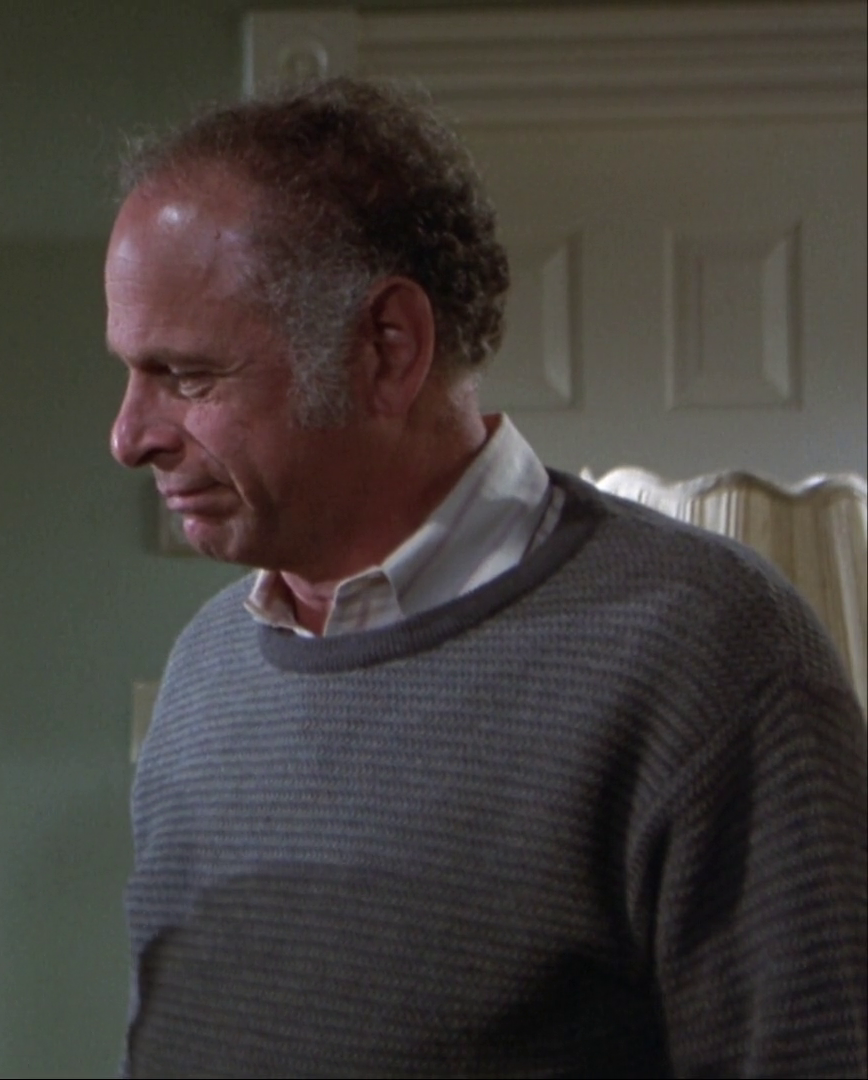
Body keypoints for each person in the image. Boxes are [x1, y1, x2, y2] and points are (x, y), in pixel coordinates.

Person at [106, 78, 866, 1077]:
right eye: (130, 372)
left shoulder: (708, 653)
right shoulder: (210, 666)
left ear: (388, 349)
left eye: (188, 376)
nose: (129, 436)